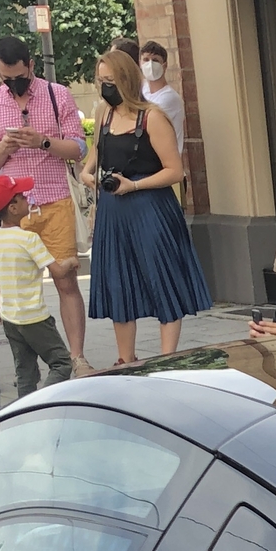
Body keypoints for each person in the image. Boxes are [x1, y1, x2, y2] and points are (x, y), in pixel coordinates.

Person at [87, 46, 211, 366]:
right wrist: (91, 178)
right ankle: (124, 359)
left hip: (149, 205)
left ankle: (168, 358)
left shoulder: (153, 116)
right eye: (101, 81)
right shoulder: (103, 115)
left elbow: (174, 170)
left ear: (126, 79)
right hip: (114, 210)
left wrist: (135, 184)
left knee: (163, 277)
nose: (105, 87)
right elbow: (91, 163)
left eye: (110, 80)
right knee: (119, 282)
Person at [0, 36, 87, 360]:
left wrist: (42, 142)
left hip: (54, 200)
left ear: (31, 65)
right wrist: (4, 147)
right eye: (6, 79)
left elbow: (79, 147)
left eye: (20, 78)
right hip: (15, 210)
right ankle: (33, 362)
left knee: (65, 280)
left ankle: (77, 358)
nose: (14, 85)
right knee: (18, 287)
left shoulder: (58, 95)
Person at [0, 172, 70, 395]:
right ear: (13, 208)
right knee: (61, 363)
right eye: (22, 196)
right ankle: (44, 401)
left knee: (25, 371)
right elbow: (57, 271)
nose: (28, 199)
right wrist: (71, 261)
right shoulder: (29, 239)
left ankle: (24, 409)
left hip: (10, 318)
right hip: (35, 317)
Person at [139, 42, 186, 153]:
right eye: (146, 59)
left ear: (164, 65)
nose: (150, 64)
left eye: (155, 60)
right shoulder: (142, 88)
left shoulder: (169, 98)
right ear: (140, 63)